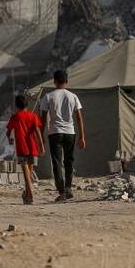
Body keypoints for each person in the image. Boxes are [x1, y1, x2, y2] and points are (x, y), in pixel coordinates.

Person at [37, 70, 86, 202]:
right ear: (67, 81)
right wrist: (82, 137)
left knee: (57, 162)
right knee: (69, 161)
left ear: (54, 81)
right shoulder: (73, 96)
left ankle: (62, 191)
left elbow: (42, 119)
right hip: (70, 132)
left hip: (55, 133)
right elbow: (79, 117)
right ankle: (68, 187)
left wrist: (40, 137)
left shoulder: (48, 96)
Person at [6, 94, 44, 205]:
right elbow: (37, 131)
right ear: (27, 104)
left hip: (22, 148)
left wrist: (10, 139)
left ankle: (30, 193)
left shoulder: (15, 117)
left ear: (16, 105)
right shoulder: (33, 116)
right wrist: (41, 145)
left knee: (25, 172)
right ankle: (27, 194)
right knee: (29, 172)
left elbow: (8, 131)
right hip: (33, 148)